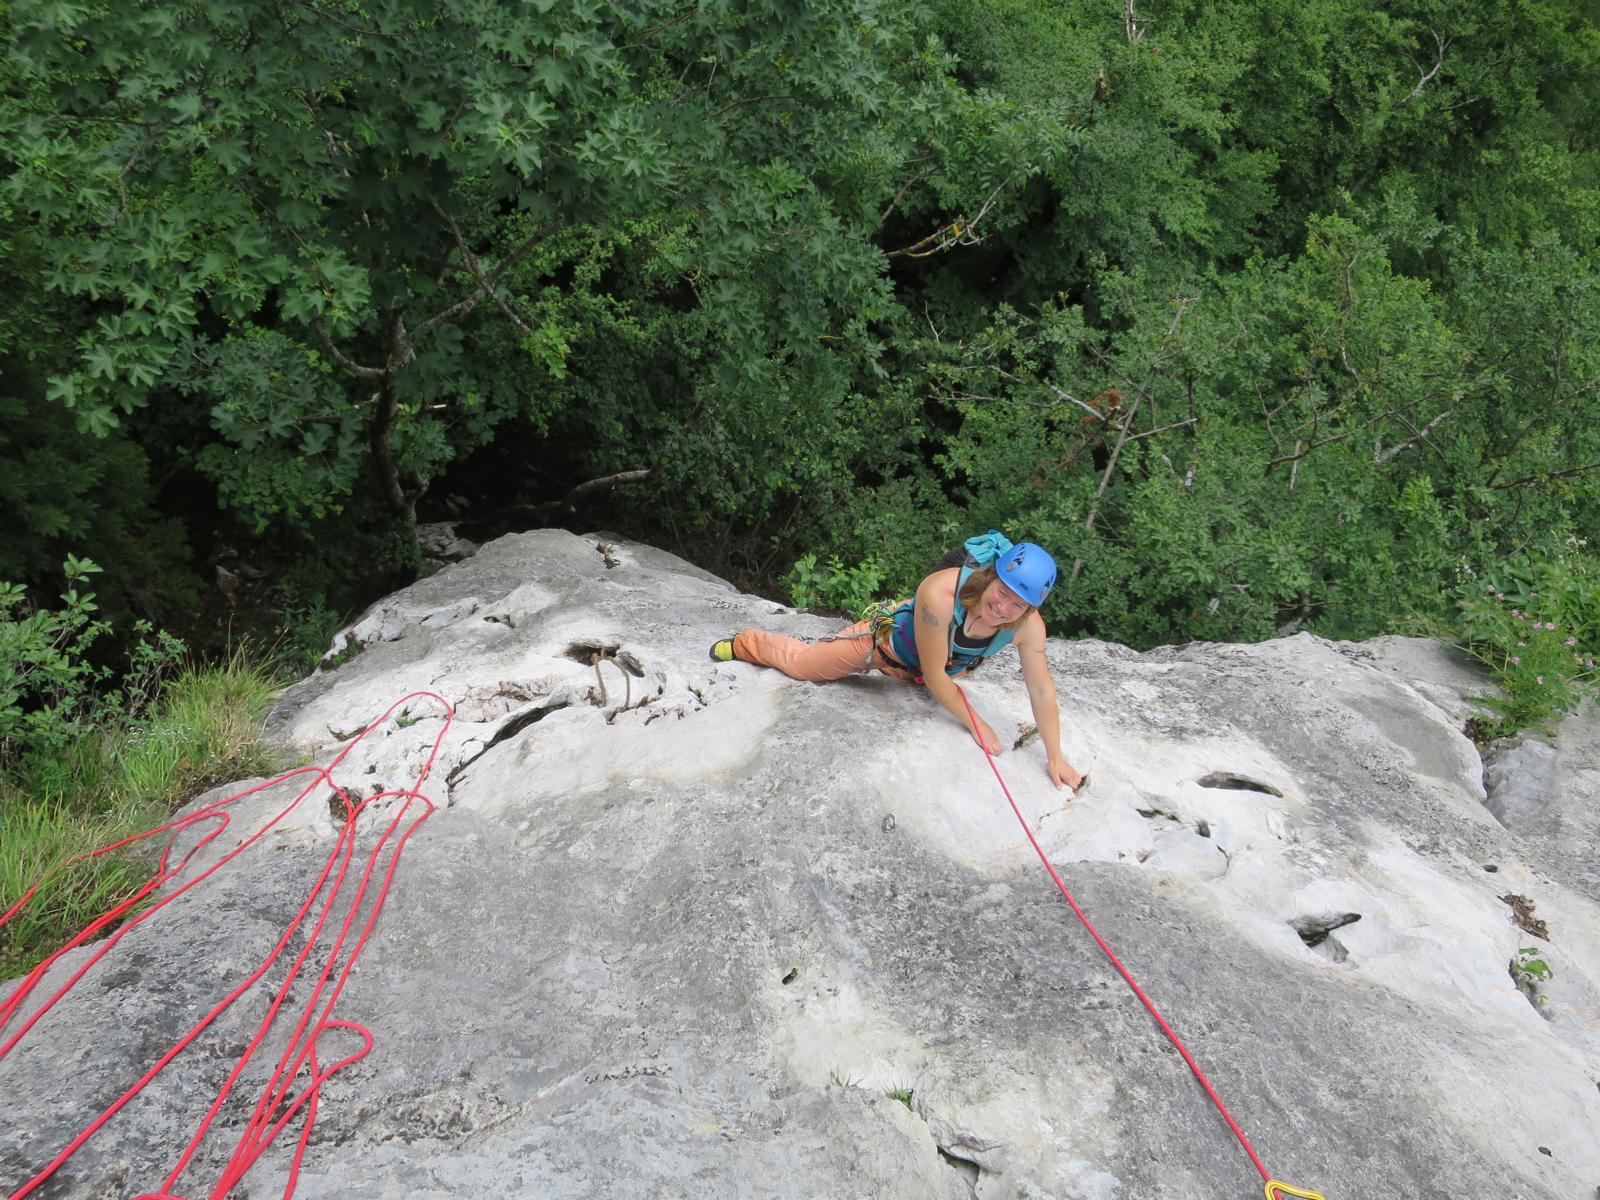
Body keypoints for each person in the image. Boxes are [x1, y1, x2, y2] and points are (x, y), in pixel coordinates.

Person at [710, 540, 1084, 790]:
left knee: (926, 672)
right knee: (805, 665)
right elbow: (938, 678)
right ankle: (746, 643)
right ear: (991, 577)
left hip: (930, 668)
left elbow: (1041, 688)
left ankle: (903, 675)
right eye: (1002, 592)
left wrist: (1055, 756)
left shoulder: (1028, 627)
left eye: (1017, 604)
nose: (1003, 608)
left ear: (1030, 610)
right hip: (886, 643)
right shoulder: (940, 593)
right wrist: (976, 723)